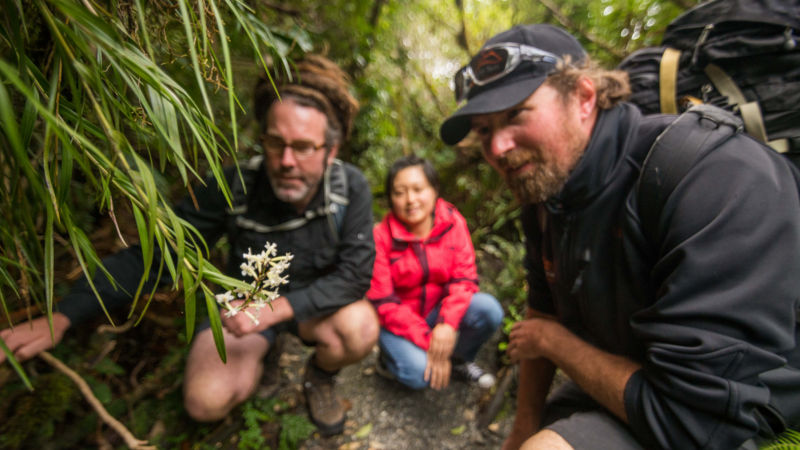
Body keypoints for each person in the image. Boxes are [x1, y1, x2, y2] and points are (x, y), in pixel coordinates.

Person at [439, 24, 800, 450]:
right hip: (639, 378)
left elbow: (693, 424)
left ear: (584, 98)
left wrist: (557, 344)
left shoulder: (708, 175)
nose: (497, 147)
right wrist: (523, 425)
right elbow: (543, 309)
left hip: (731, 415)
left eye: (516, 114)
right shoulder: (546, 198)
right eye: (483, 131)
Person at [0, 54, 378, 437]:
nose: (286, 161)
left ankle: (320, 376)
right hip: (244, 307)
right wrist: (66, 314)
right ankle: (265, 354)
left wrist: (278, 311)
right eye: (275, 142)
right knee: (204, 401)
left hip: (312, 305)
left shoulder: (349, 189)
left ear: (330, 151)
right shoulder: (233, 185)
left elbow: (354, 276)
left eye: (303, 147)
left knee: (359, 327)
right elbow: (163, 255)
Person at [366, 155, 503, 390]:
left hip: (436, 313)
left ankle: (459, 360)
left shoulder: (452, 222)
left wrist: (447, 325)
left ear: (434, 190)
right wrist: (430, 342)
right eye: (399, 192)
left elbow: (464, 278)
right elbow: (383, 302)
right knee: (420, 376)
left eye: (418, 189)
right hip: (398, 322)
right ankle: (388, 361)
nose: (410, 200)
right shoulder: (380, 237)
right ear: (390, 198)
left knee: (488, 310)